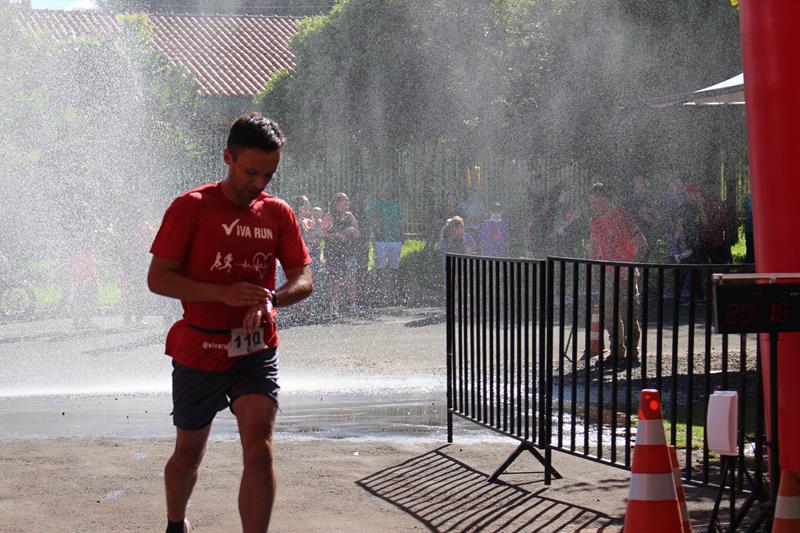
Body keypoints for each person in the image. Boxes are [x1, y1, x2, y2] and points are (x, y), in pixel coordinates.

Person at [147, 113, 312, 533]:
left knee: (260, 449)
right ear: (227, 157)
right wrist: (221, 293)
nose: (259, 182)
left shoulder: (278, 213)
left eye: (269, 174)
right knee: (188, 454)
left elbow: (303, 278)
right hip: (199, 347)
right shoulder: (191, 207)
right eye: (251, 171)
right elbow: (158, 278)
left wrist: (272, 298)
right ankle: (176, 522)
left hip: (255, 348)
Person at [588, 182, 646, 364]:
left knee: (629, 314)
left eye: (595, 203)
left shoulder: (623, 217)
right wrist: (591, 267)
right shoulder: (594, 222)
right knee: (609, 314)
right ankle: (617, 351)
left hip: (625, 272)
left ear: (605, 199)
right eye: (591, 203)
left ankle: (633, 353)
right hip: (607, 273)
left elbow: (641, 242)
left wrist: (631, 265)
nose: (592, 206)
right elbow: (593, 246)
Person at [322, 192, 360, 314]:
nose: (347, 203)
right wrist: (336, 235)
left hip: (348, 252)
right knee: (336, 279)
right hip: (334, 251)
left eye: (347, 201)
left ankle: (353, 304)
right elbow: (322, 234)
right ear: (337, 203)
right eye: (344, 201)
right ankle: (333, 305)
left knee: (351, 278)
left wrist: (352, 230)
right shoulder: (329, 216)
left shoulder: (350, 216)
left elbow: (358, 235)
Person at [368, 183, 405, 305]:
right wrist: (373, 233)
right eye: (386, 190)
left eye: (390, 190)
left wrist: (402, 234)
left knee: (395, 268)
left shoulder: (396, 205)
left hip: (395, 240)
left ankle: (394, 294)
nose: (388, 193)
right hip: (381, 239)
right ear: (381, 192)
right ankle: (379, 294)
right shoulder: (376, 205)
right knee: (380, 268)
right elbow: (372, 219)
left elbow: (401, 221)